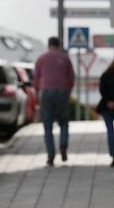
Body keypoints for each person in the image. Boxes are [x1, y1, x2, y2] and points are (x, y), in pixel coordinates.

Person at [33, 36, 75, 166]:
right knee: (63, 122)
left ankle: (50, 156)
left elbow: (36, 78)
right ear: (59, 45)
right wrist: (68, 91)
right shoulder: (65, 58)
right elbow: (71, 77)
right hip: (62, 91)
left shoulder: (41, 58)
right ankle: (63, 144)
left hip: (46, 91)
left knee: (47, 125)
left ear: (48, 45)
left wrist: (37, 92)